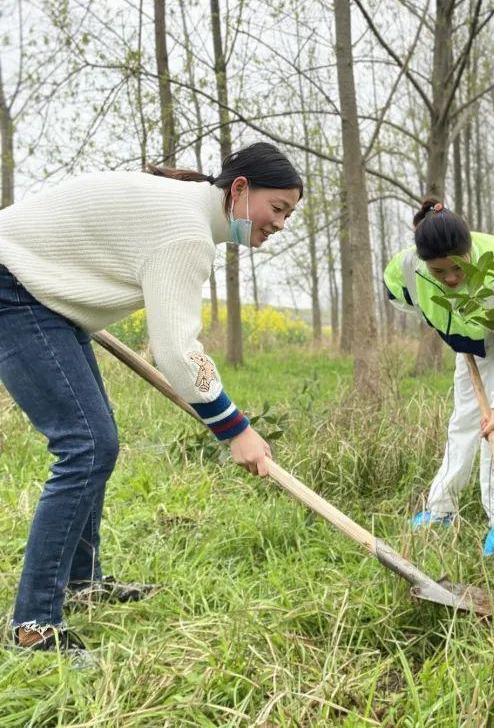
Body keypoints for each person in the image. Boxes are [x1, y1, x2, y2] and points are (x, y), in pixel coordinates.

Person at [0, 142, 303, 659]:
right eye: (276, 209)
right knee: (88, 445)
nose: (280, 224)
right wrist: (236, 430)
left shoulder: (188, 208)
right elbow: (178, 352)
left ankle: (81, 581)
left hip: (43, 293)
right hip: (16, 286)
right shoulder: (187, 230)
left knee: (96, 442)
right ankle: (33, 625)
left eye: (289, 216)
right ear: (240, 189)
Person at [384, 199, 494, 557]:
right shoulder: (407, 268)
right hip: (470, 343)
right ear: (424, 262)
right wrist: (459, 332)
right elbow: (399, 294)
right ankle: (441, 509)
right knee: (464, 423)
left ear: (469, 250)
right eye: (440, 273)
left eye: (458, 268)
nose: (451, 278)